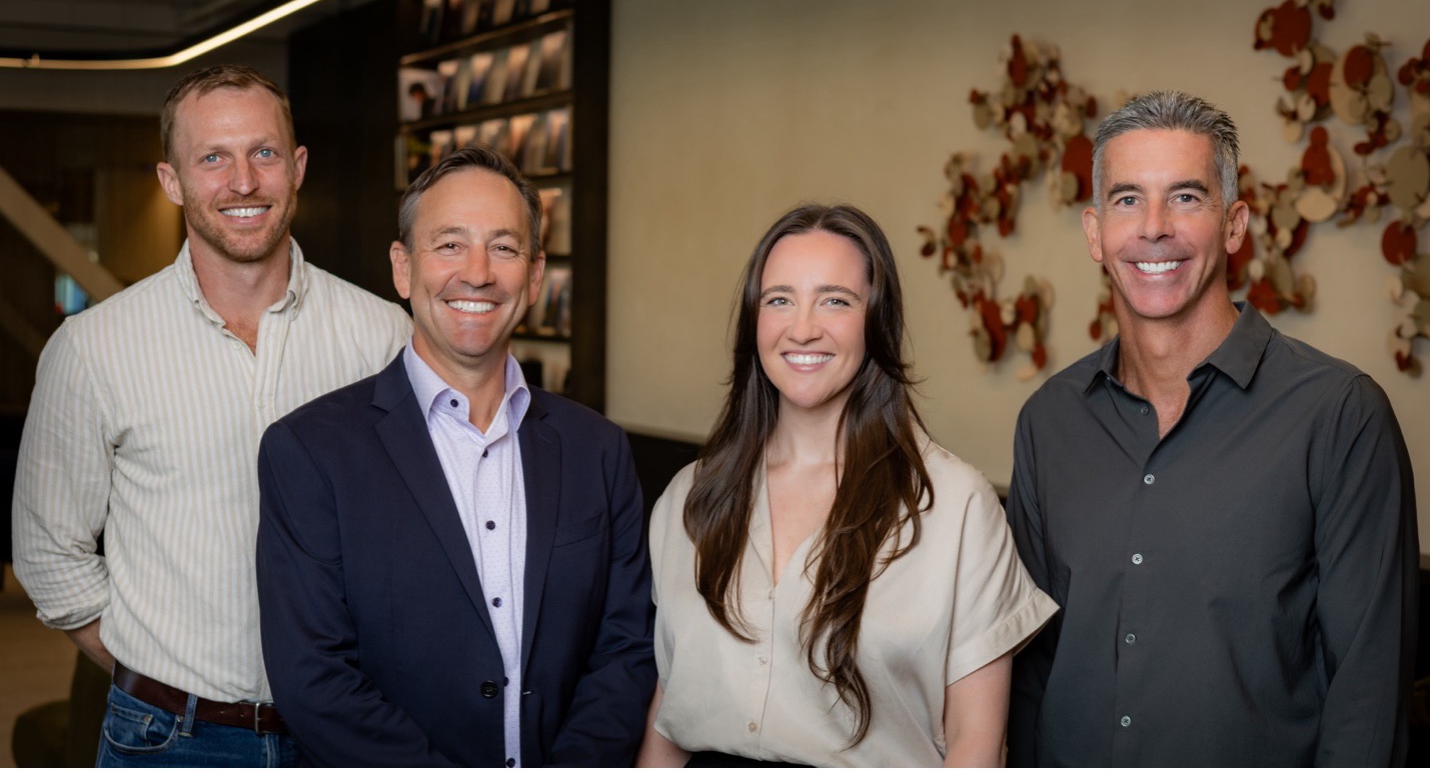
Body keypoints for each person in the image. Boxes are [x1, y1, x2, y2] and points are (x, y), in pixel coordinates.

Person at [11, 64, 411, 767]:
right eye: (213, 158)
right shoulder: (94, 347)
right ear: (173, 181)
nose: (244, 182)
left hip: (348, 732)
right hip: (166, 739)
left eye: (263, 153)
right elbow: (51, 555)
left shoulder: (385, 338)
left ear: (298, 167)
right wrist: (159, 676)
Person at [1005, 90, 1419, 766]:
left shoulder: (1339, 415)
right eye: (1128, 199)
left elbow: (1367, 699)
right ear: (1094, 232)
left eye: (1187, 198)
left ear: (1234, 225)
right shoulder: (1049, 421)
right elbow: (1028, 671)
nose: (1154, 227)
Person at [255, 146, 654, 767]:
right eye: (448, 245)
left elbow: (627, 648)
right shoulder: (310, 451)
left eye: (504, 247)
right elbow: (315, 680)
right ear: (402, 268)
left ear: (536, 273)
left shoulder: (597, 448)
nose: (478, 272)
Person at [636, 204, 1057, 767]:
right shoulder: (690, 498)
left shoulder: (956, 507)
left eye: (835, 300)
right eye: (779, 299)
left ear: (876, 321)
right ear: (753, 321)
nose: (803, 327)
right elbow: (669, 707)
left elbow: (975, 749)